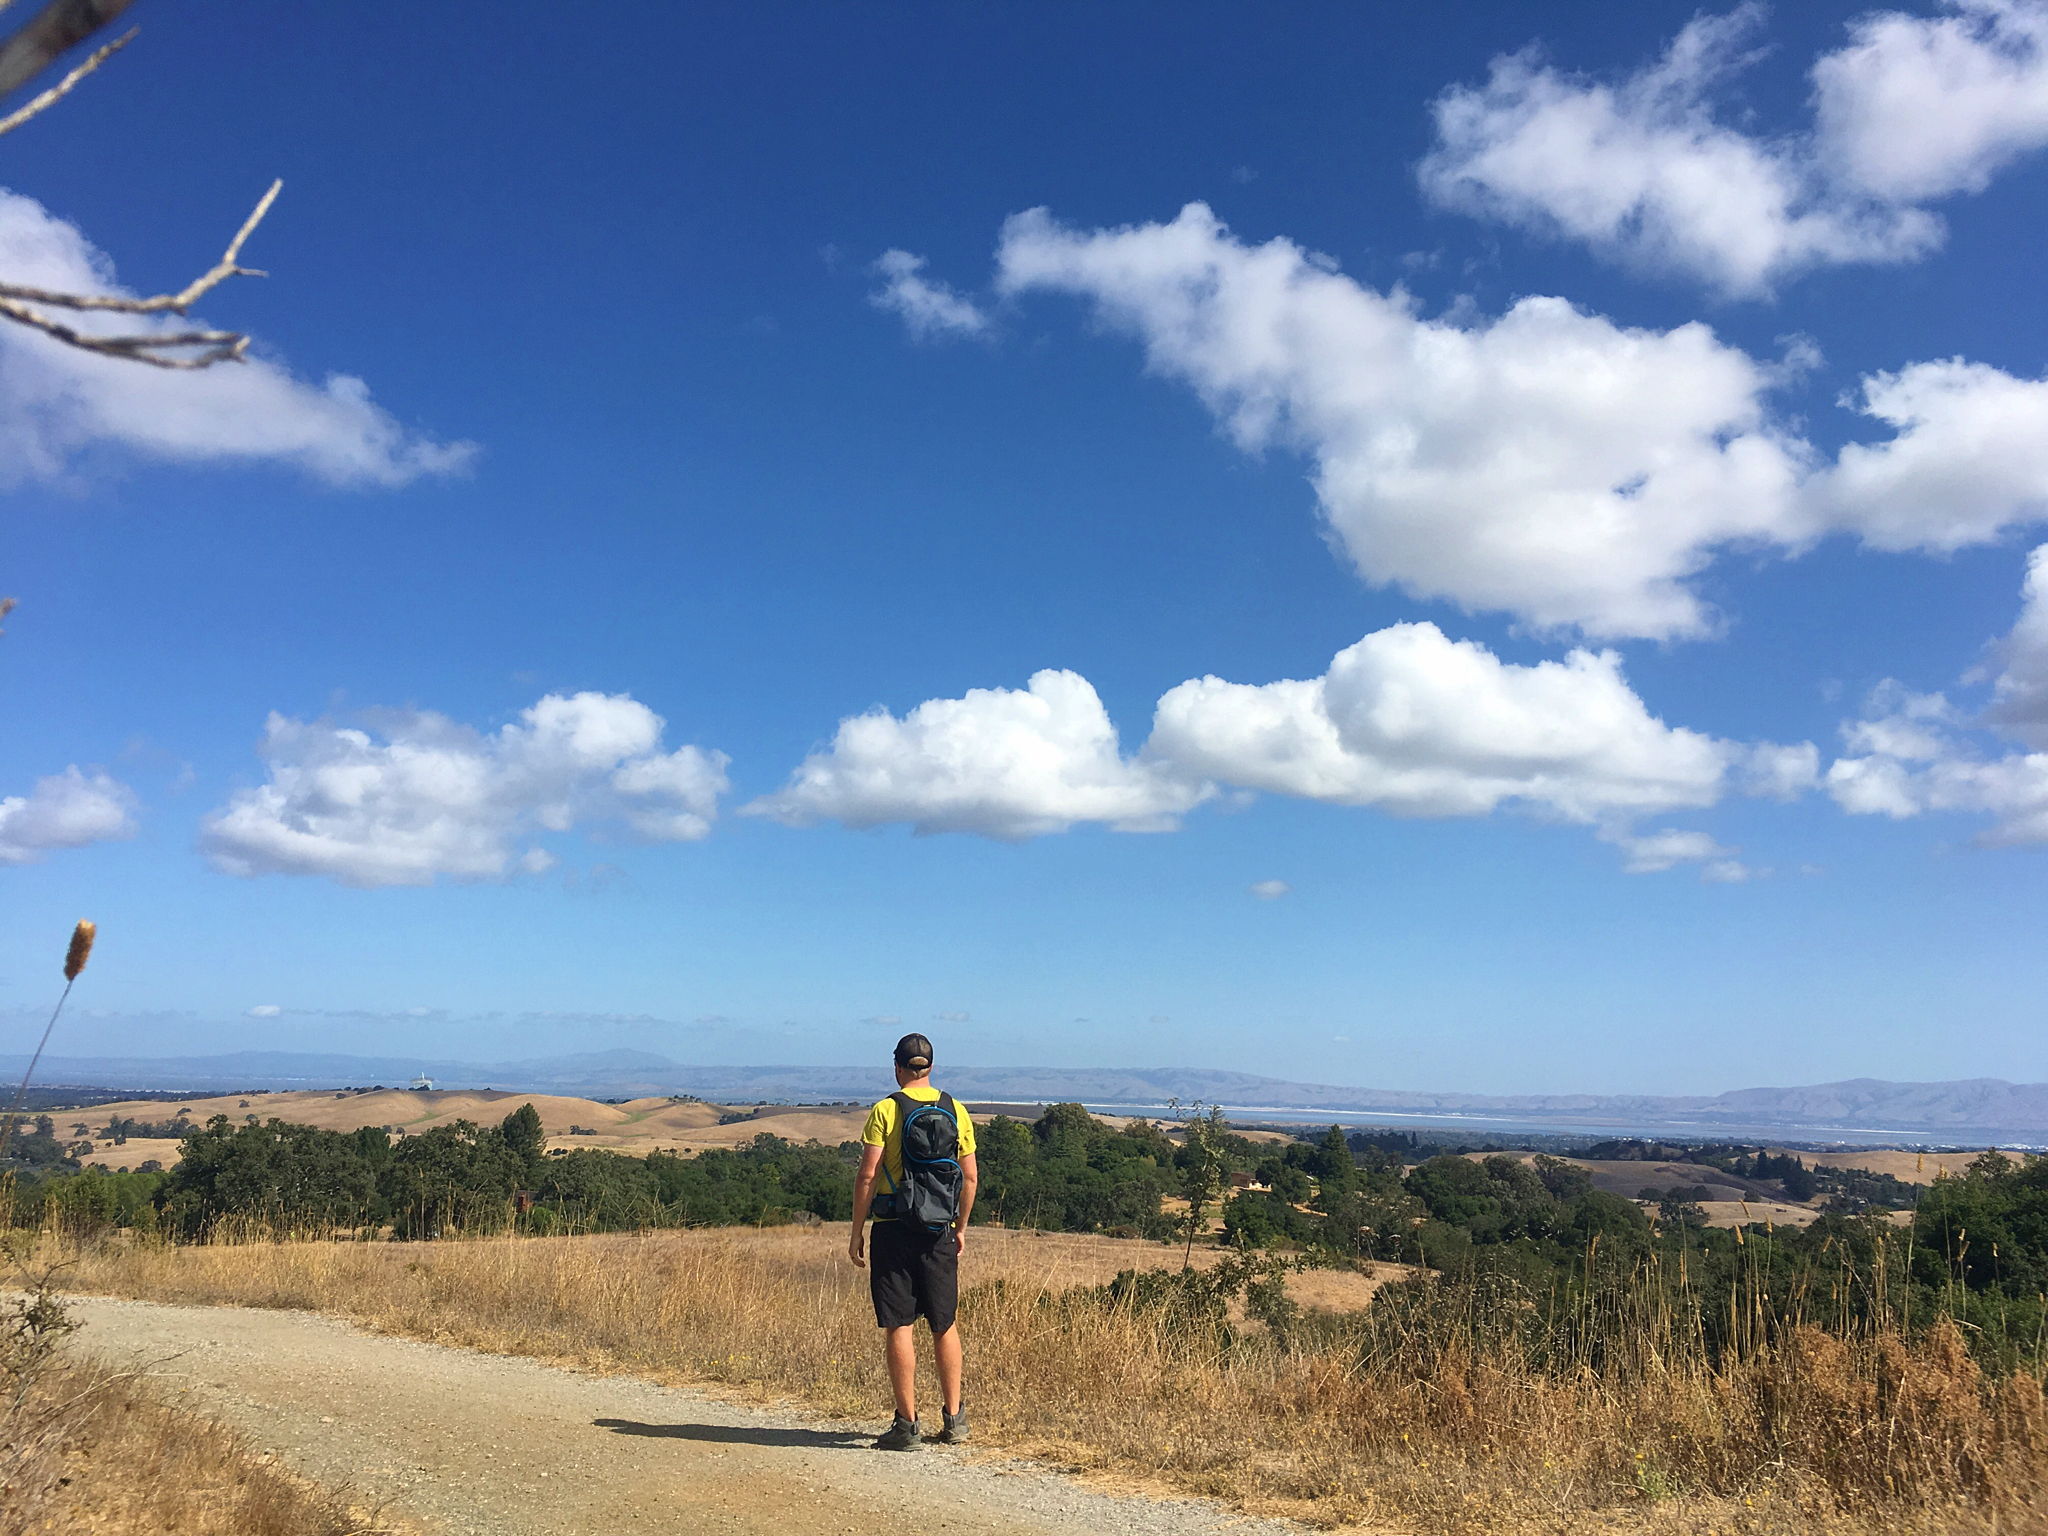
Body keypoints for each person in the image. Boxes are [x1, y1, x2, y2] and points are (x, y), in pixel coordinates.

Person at [848, 1031, 978, 1451]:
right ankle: (955, 1420)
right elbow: (971, 1176)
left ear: (897, 1066)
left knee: (899, 1324)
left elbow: (867, 1175)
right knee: (944, 1323)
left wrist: (857, 1231)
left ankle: (907, 1426)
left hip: (893, 1226)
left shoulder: (885, 1110)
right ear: (932, 1067)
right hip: (939, 1229)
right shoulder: (955, 1109)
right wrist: (960, 1227)